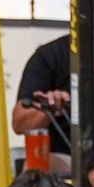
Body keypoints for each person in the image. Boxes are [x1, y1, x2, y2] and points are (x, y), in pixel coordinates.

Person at [10, 31, 73, 163]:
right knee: (36, 168)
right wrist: (48, 107)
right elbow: (20, 123)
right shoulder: (50, 56)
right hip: (66, 158)